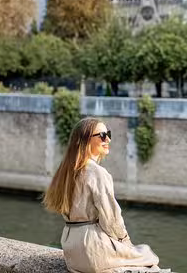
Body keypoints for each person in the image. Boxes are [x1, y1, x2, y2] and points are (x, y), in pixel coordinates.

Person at [43, 117, 160, 273]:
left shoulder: (66, 172)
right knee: (147, 255)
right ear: (85, 141)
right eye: (103, 135)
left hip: (71, 251)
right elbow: (111, 218)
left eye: (108, 134)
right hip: (93, 250)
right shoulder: (97, 173)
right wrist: (125, 242)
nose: (108, 139)